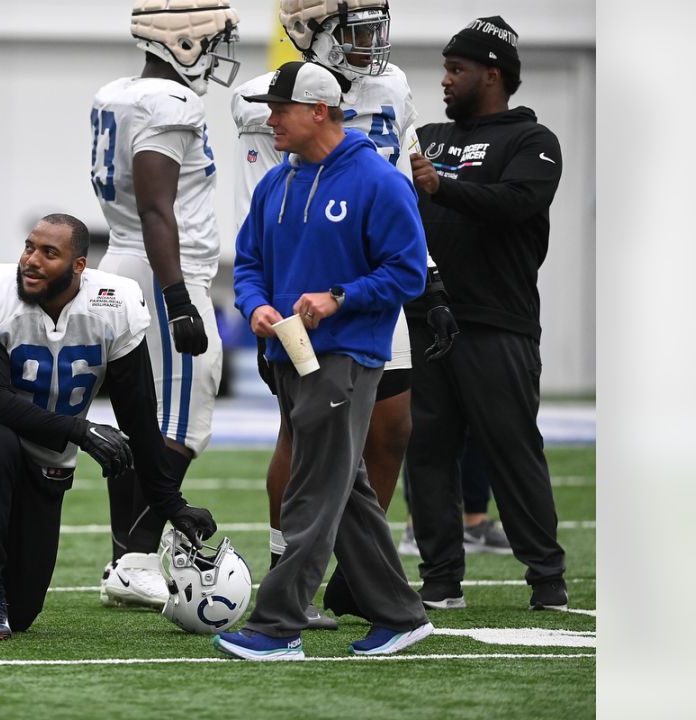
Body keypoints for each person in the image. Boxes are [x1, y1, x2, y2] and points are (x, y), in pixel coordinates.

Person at [0, 214, 218, 640]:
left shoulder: (113, 303)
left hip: (46, 463)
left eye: (49, 253)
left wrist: (172, 505)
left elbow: (138, 416)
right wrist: (80, 432)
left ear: (78, 267)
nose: (31, 260)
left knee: (23, 610)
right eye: (29, 247)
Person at [229, 0, 458, 629]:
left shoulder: (381, 153)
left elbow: (404, 240)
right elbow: (255, 251)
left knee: (357, 450)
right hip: (298, 320)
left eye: (282, 111)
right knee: (325, 459)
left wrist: (393, 290)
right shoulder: (281, 170)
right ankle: (378, 603)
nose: (371, 41)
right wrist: (258, 302)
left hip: (358, 317)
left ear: (318, 112)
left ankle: (291, 612)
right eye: (355, 27)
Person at [403, 16, 567, 611]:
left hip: (497, 319)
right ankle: (441, 580)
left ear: (492, 75)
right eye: (445, 68)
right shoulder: (425, 134)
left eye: (457, 69)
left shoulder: (533, 141)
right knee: (426, 453)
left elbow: (518, 204)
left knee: (511, 447)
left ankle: (546, 578)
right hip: (425, 321)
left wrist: (441, 186)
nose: (444, 80)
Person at [88, 0, 240, 609]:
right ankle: (135, 557)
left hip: (127, 261)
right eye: (212, 40)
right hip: (161, 272)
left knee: (142, 424)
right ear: (181, 43)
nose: (218, 51)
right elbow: (157, 206)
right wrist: (177, 296)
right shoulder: (171, 102)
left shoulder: (117, 92)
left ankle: (127, 558)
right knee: (181, 426)